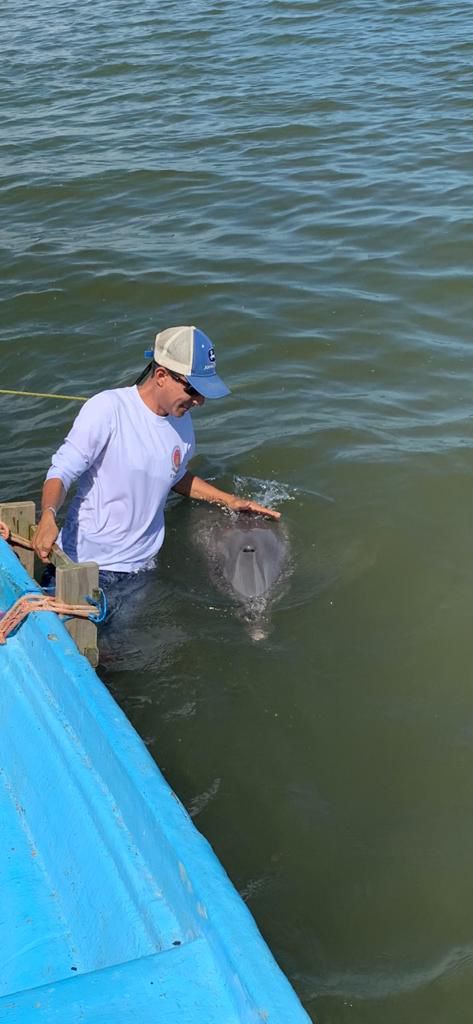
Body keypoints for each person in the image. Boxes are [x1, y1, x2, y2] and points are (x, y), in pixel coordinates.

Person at [33, 325, 280, 572]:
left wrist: (230, 500)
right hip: (87, 564)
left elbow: (175, 475)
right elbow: (62, 471)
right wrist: (48, 515)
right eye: (194, 390)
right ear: (161, 376)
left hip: (142, 568)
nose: (200, 401)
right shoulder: (107, 409)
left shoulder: (182, 422)